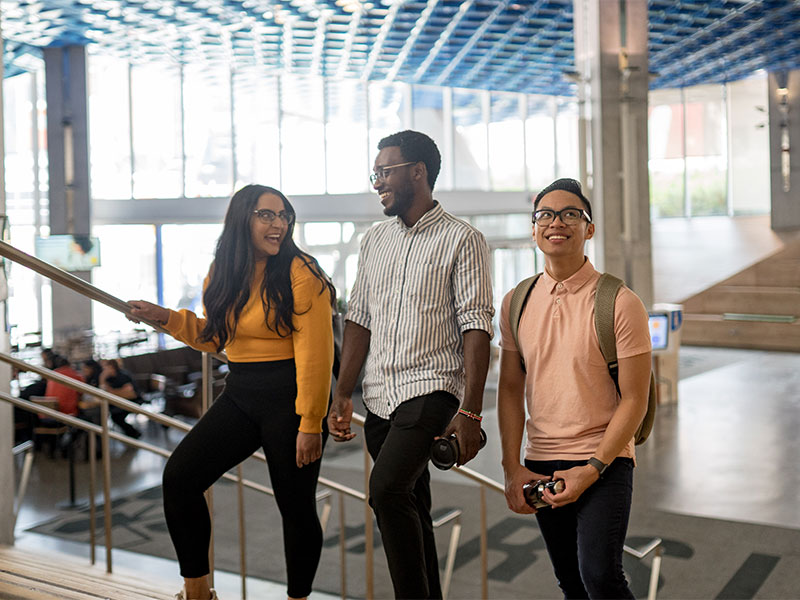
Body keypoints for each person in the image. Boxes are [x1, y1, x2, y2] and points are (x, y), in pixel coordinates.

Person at [128, 184, 335, 600]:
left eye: (284, 216)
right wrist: (164, 317)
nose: (279, 224)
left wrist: (311, 423)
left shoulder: (302, 272)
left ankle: (298, 597)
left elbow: (316, 356)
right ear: (243, 218)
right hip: (241, 392)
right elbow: (214, 336)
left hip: (291, 399)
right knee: (181, 478)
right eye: (267, 215)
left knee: (295, 508)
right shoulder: (223, 270)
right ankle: (198, 591)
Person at [328, 130, 494, 599]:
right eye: (375, 172)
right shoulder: (374, 240)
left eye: (385, 171)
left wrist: (471, 411)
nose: (377, 181)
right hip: (380, 398)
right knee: (412, 504)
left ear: (417, 172)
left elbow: (477, 327)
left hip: (432, 389)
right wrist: (343, 393)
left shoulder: (463, 239)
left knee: (386, 491)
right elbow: (358, 318)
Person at [496, 178, 652, 599]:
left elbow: (636, 398)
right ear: (533, 229)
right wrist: (512, 468)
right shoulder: (517, 300)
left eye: (570, 214)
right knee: (571, 581)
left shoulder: (620, 301)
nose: (556, 222)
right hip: (542, 459)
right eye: (544, 214)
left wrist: (593, 468)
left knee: (600, 576)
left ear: (589, 228)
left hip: (604, 458)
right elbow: (510, 388)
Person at [98, 358, 143, 439]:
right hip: (120, 402)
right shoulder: (108, 378)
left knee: (116, 416)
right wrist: (102, 378)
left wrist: (113, 392)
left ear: (112, 367)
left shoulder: (123, 375)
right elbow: (104, 391)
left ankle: (134, 434)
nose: (103, 370)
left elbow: (130, 394)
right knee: (107, 412)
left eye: (105, 367)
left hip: (133, 401)